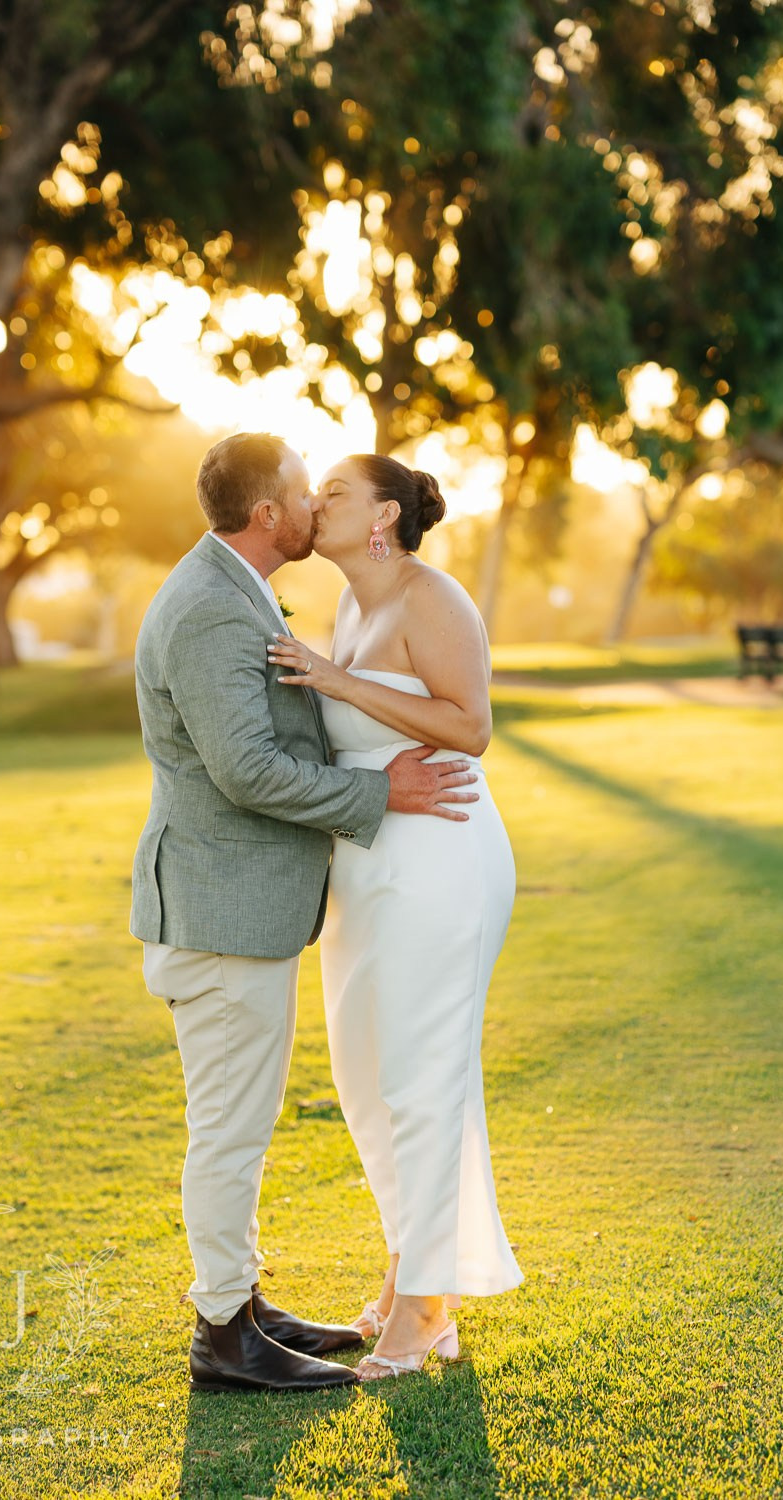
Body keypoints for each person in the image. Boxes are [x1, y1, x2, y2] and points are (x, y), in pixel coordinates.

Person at [130, 433, 481, 1393]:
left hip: (251, 911)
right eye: (302, 493)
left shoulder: (239, 589)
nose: (313, 506)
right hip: (219, 915)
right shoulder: (211, 607)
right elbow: (244, 770)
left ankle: (241, 1306)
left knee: (240, 1120)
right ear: (267, 516)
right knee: (231, 1130)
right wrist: (378, 798)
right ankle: (224, 1336)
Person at [267, 452, 523, 1380]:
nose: (314, 502)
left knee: (422, 1075)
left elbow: (470, 725)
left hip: (443, 863)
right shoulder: (348, 605)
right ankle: (408, 1269)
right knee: (368, 1075)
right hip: (368, 869)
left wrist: (334, 682)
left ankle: (425, 1309)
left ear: (383, 515)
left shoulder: (432, 598)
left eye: (333, 492)